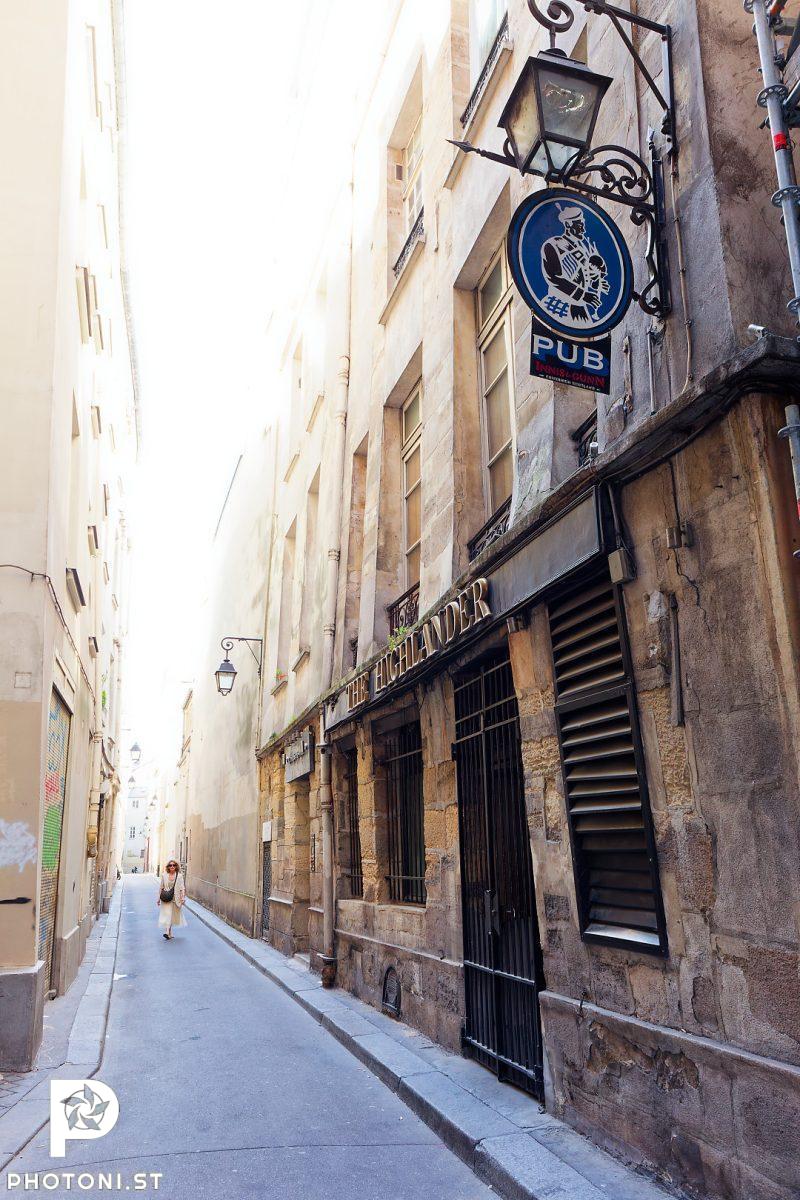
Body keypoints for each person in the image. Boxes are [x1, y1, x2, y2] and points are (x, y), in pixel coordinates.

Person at [540, 204, 609, 326]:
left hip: (579, 308)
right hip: (560, 305)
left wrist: (595, 283)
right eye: (580, 225)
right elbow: (554, 277)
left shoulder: (580, 250)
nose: (583, 230)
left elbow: (582, 277)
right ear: (568, 225)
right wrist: (583, 295)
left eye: (583, 225)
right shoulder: (553, 245)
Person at [157, 858, 186, 940]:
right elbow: (161, 887)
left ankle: (169, 933)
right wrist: (158, 898)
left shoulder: (179, 876)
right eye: (170, 865)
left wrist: (182, 897)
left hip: (175, 899)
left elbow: (182, 888)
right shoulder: (164, 875)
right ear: (168, 867)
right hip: (166, 897)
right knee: (168, 914)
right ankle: (167, 932)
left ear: (176, 866)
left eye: (174, 865)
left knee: (171, 915)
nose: (172, 866)